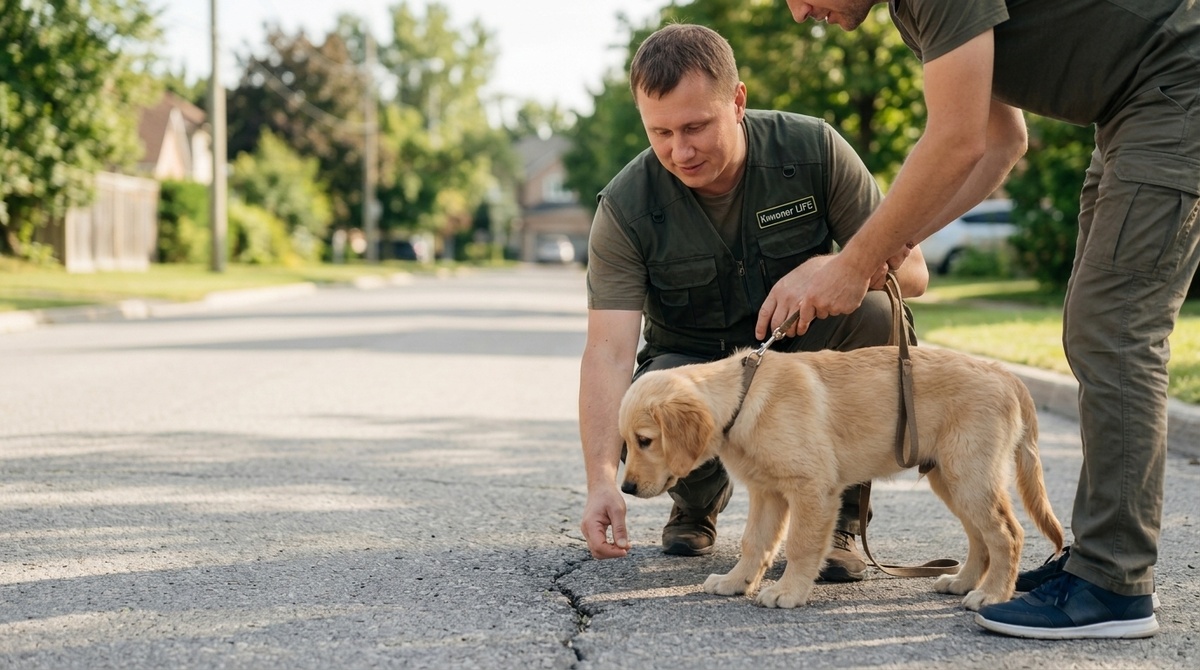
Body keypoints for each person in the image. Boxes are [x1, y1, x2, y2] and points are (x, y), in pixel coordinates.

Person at [781, 1, 1200, 639]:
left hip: (1174, 88)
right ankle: (1094, 562)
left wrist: (855, 261)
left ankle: (1114, 584)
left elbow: (957, 140)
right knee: (1094, 331)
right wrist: (891, 246)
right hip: (1129, 111)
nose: (799, 12)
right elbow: (1003, 141)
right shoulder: (912, 14)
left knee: (1116, 333)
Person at [577, 23, 930, 585]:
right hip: (695, 370)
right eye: (660, 132)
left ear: (738, 101)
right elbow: (607, 353)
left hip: (796, 362)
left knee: (877, 315)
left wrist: (834, 266)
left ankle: (838, 519)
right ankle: (695, 503)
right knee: (660, 400)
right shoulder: (626, 206)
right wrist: (600, 480)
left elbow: (912, 274)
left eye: (696, 127)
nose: (679, 151)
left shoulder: (813, 151)